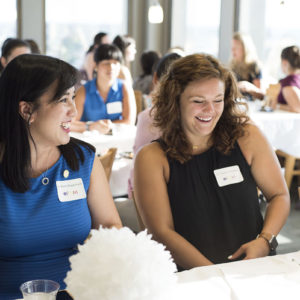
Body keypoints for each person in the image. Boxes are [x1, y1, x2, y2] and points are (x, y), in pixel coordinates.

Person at [134, 54, 290, 270]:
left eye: (218, 100)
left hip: (254, 267)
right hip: (191, 277)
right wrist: (215, 274)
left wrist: (265, 241)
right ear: (175, 101)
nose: (210, 110)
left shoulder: (247, 138)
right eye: (198, 101)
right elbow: (161, 232)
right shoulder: (152, 158)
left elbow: (279, 195)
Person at [0, 54, 122, 299]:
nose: (74, 111)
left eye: (73, 98)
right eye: (63, 100)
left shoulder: (82, 159)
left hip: (76, 292)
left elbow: (111, 227)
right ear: (26, 110)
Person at [128, 52, 182, 198]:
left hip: (145, 197)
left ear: (155, 78)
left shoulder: (148, 116)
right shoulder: (195, 116)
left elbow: (136, 170)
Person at [72, 44, 136, 134]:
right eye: (106, 63)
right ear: (96, 66)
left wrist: (105, 127)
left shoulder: (125, 88)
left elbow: (129, 122)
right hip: (90, 140)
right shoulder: (83, 90)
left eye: (115, 63)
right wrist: (90, 127)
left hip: (117, 141)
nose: (111, 67)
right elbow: (70, 123)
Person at [229, 32, 264, 100]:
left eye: (236, 47)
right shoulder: (231, 66)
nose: (232, 50)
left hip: (249, 104)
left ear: (245, 49)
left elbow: (261, 96)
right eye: (232, 47)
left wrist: (249, 87)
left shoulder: (254, 67)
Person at [268, 45, 300, 113]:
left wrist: (277, 106)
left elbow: (298, 108)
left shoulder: (288, 83)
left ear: (284, 62)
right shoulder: (296, 79)